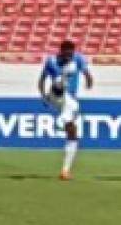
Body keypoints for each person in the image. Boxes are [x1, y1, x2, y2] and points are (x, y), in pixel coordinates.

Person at [38, 40, 93, 181]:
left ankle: (65, 170)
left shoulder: (79, 59)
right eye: (66, 54)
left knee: (72, 133)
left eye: (71, 54)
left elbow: (87, 73)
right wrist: (43, 95)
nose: (69, 57)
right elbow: (42, 79)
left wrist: (89, 81)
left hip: (70, 100)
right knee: (61, 83)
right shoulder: (51, 61)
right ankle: (61, 120)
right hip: (56, 96)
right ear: (60, 52)